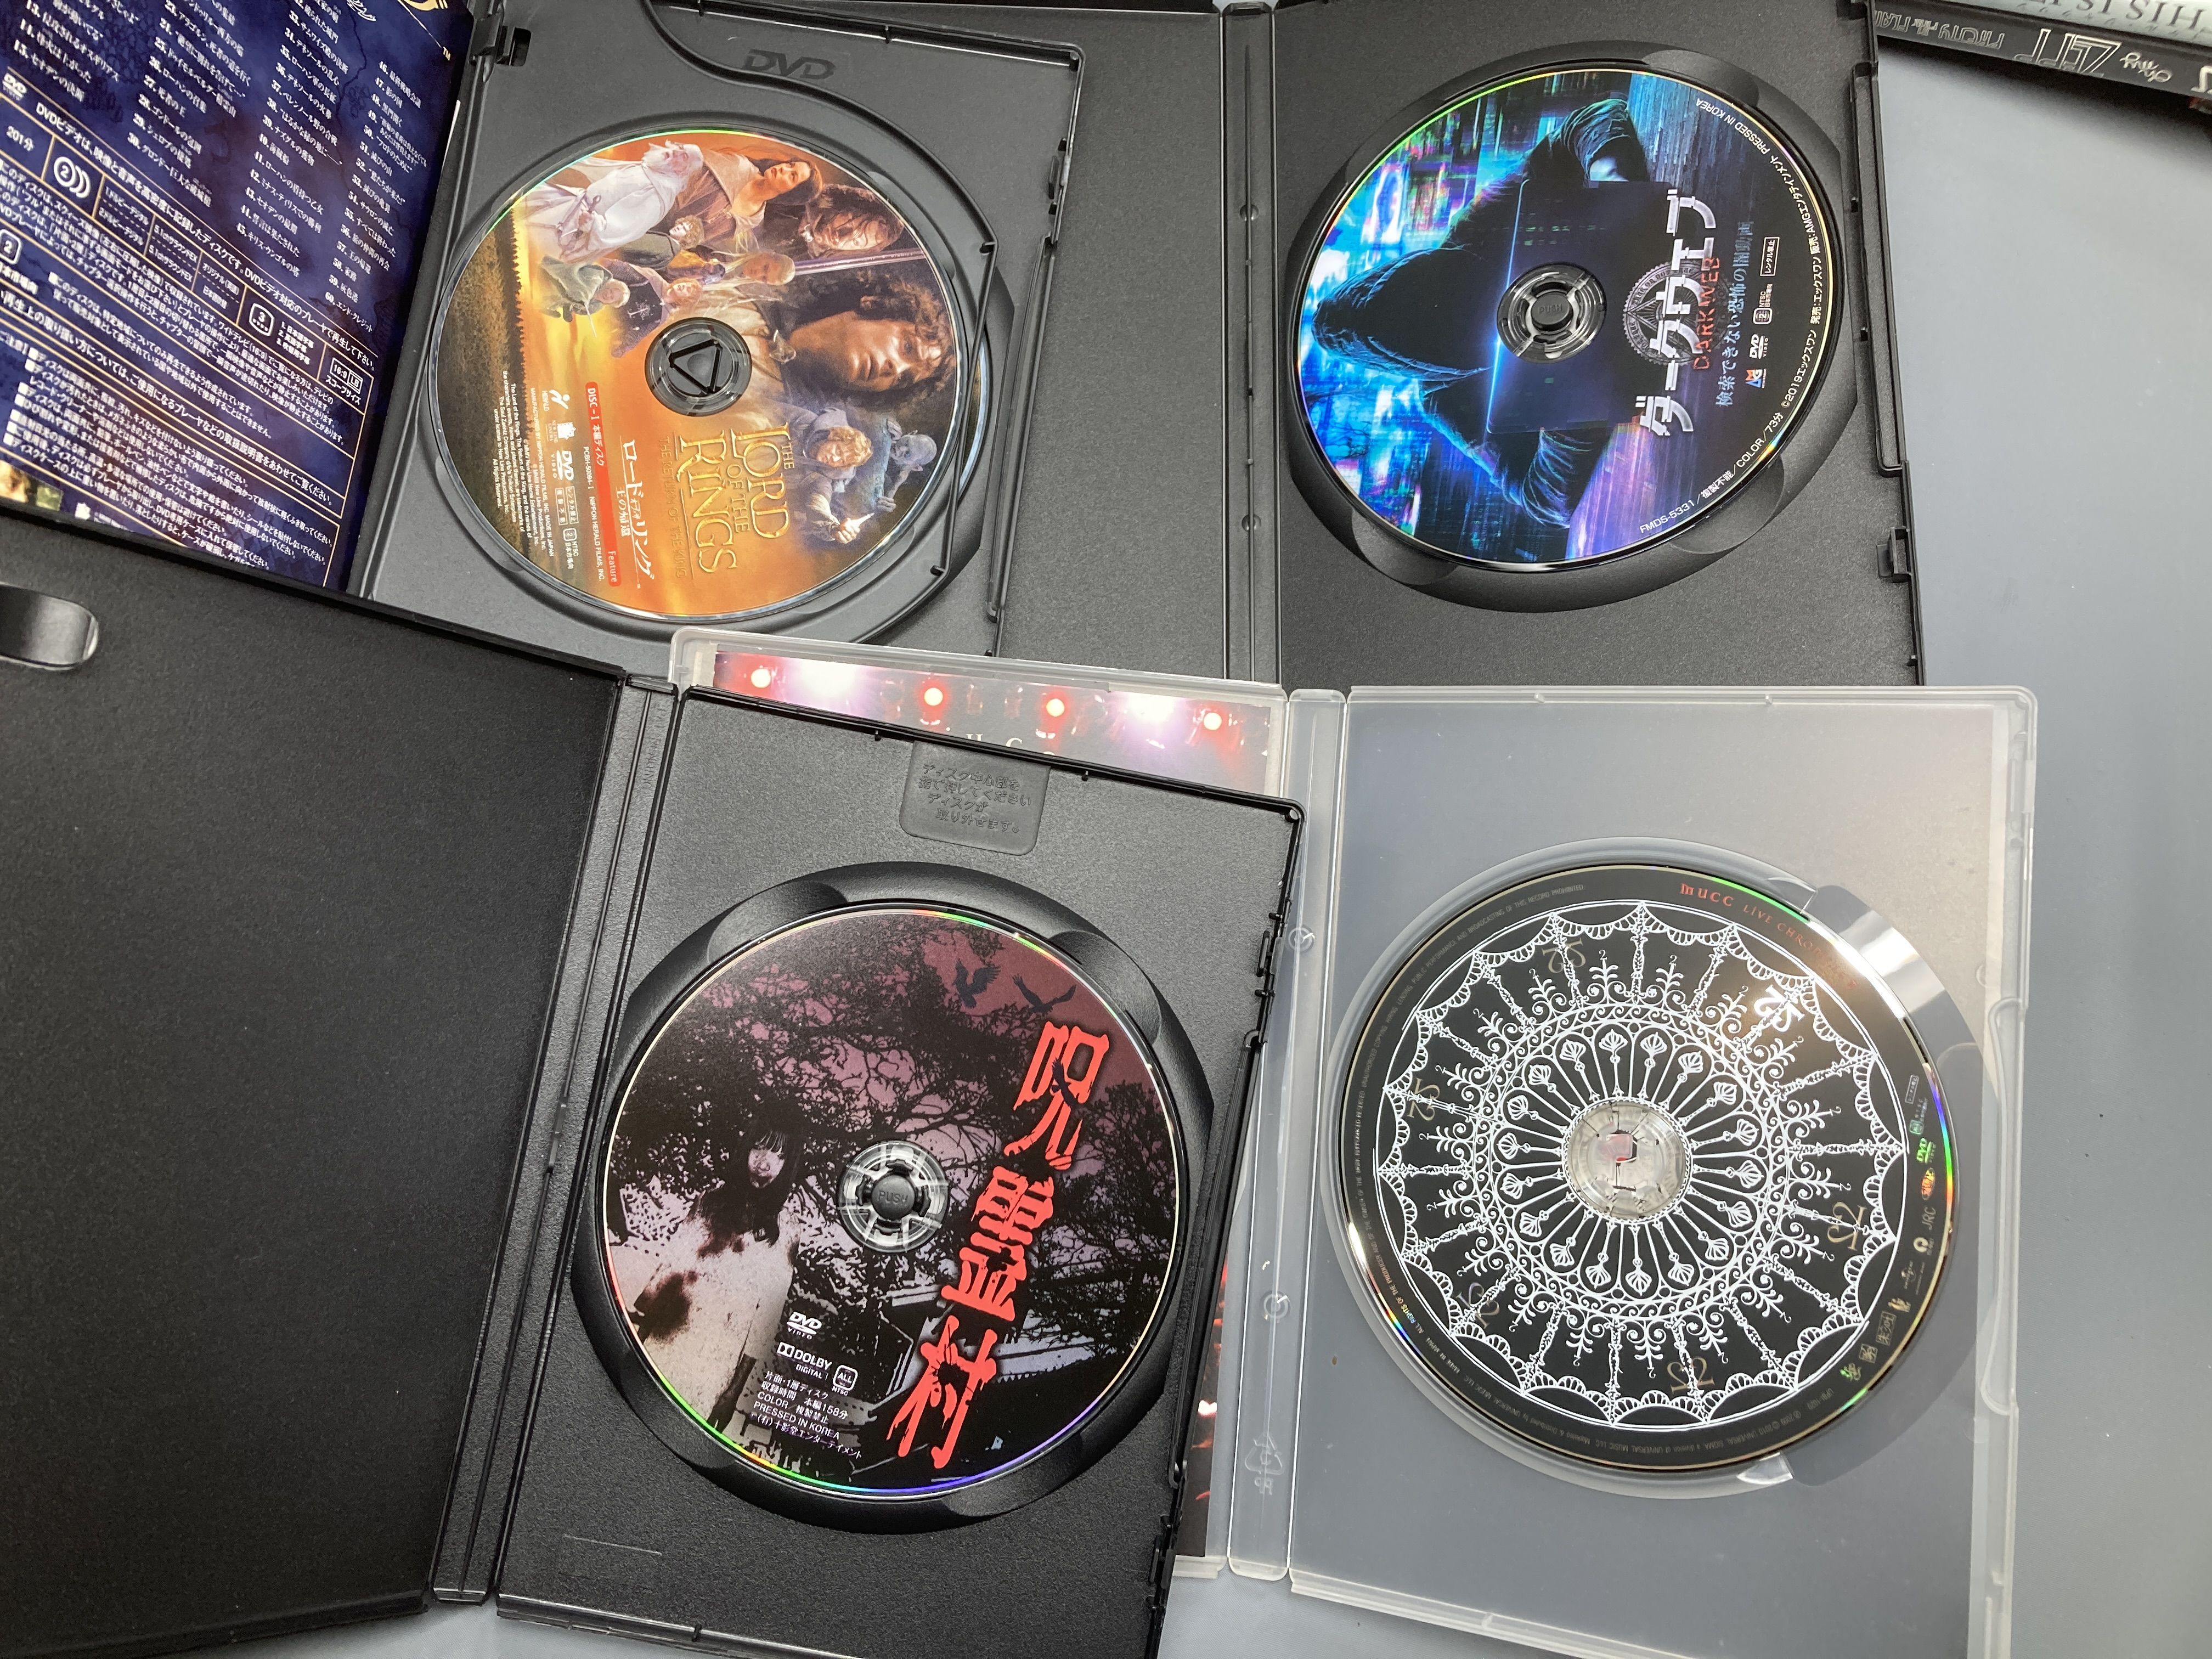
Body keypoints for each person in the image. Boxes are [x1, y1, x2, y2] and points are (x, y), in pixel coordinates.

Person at [1307, 98, 1651, 528]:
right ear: (1436, 363)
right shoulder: (1445, 399)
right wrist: (1567, 390)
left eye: (1457, 289)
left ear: (1441, 261)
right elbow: (1545, 502)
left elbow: (1584, 124)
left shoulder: (1476, 227)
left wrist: (1608, 172)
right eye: (1467, 328)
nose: (1518, 309)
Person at [607, 1117, 804, 1435]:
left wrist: (733, 1393)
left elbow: (766, 1321)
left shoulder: (787, 1232)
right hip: (667, 1338)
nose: (764, 1163)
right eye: (758, 1148)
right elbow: (671, 1268)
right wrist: (639, 1340)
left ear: (788, 1166)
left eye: (778, 1155)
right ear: (745, 1149)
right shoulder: (708, 1201)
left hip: (715, 1361)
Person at [525, 142, 704, 263]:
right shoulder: (652, 170)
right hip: (571, 206)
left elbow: (623, 228)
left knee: (526, 246)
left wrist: (592, 224)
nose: (676, 152)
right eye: (681, 147)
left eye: (684, 157)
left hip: (575, 229)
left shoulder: (658, 196)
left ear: (684, 172)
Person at [758, 182, 907, 262]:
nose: (841, 237)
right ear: (847, 207)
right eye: (851, 224)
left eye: (855, 243)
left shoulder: (808, 262)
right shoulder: (798, 193)